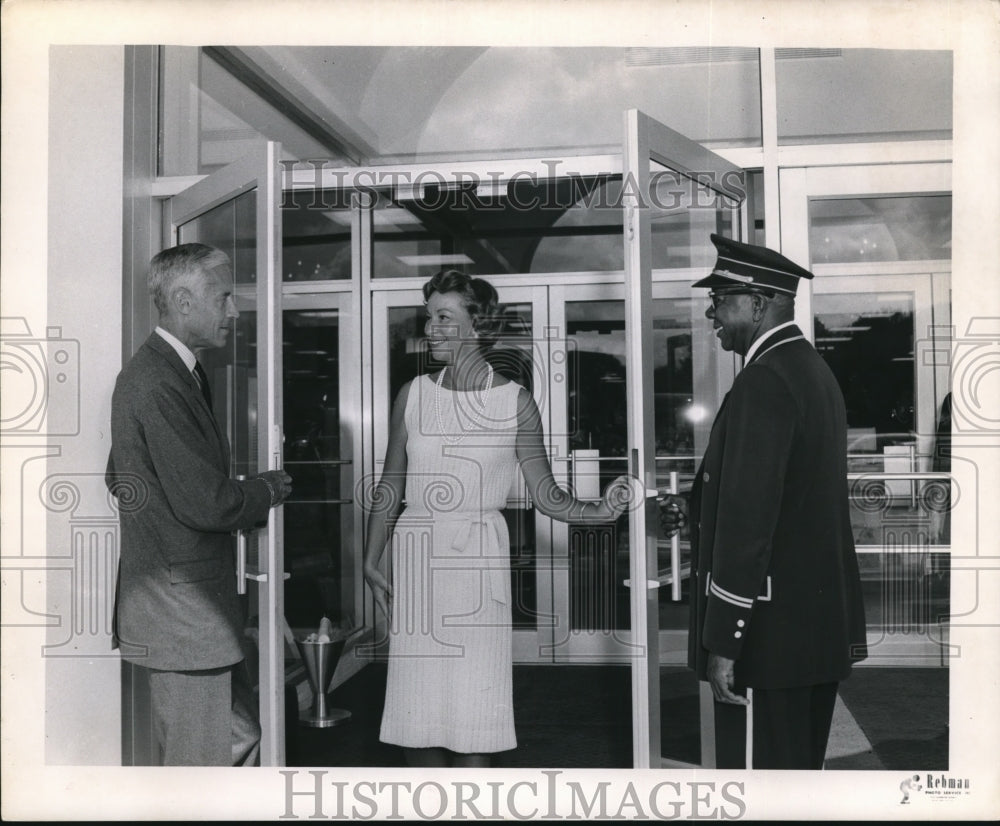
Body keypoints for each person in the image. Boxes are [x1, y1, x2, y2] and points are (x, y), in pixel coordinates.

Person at [363, 270, 630, 768]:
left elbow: (548, 497)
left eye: (445, 317)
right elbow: (389, 486)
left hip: (479, 560)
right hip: (418, 555)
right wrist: (370, 557)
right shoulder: (413, 394)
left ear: (478, 325)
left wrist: (602, 510)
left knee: (474, 714)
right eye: (428, 317)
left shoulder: (515, 402)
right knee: (415, 710)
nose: (431, 327)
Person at [660, 234, 867, 770]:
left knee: (760, 788)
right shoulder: (812, 372)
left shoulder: (763, 381)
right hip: (808, 630)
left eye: (722, 299)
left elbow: (751, 522)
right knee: (795, 779)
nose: (712, 312)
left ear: (758, 304)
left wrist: (725, 641)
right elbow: (793, 496)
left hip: (766, 638)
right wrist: (696, 504)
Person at [106, 243, 293, 766]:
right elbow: (208, 504)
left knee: (235, 740)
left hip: (189, 612)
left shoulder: (169, 373)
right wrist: (268, 488)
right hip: (184, 617)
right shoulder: (156, 380)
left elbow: (118, 474)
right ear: (184, 300)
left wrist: (159, 518)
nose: (233, 310)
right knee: (202, 766)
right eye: (224, 296)